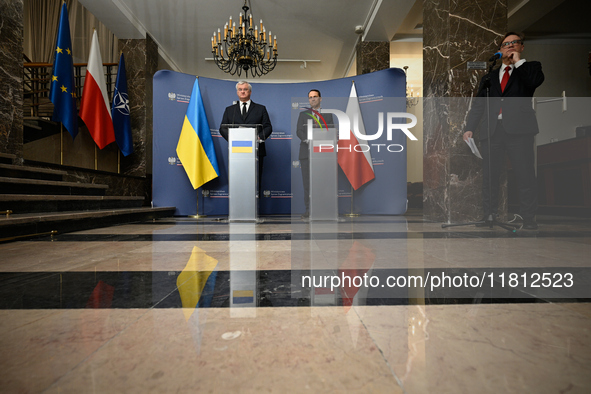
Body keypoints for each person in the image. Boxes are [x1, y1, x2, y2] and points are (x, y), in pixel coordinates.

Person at [463, 32, 544, 230]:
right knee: (490, 177)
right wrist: (469, 128)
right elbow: (479, 106)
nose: (509, 46)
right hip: (492, 132)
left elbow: (533, 83)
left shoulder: (530, 67)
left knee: (524, 174)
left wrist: (518, 62)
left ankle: (529, 218)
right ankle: (489, 215)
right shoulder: (489, 76)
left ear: (521, 47)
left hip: (519, 130)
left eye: (514, 43)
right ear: (499, 50)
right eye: (505, 44)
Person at [220, 81, 273, 198]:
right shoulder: (230, 110)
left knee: (254, 180)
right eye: (240, 89)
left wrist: (259, 137)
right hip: (237, 151)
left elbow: (268, 127)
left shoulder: (260, 108)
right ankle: (238, 208)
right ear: (237, 92)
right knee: (238, 180)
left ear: (250, 91)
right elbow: (222, 128)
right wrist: (233, 139)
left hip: (256, 150)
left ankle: (254, 209)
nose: (242, 91)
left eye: (245, 89)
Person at [296, 89, 334, 218]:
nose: (312, 99)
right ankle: (309, 210)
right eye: (310, 97)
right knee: (308, 183)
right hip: (306, 153)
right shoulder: (303, 114)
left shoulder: (328, 115)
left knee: (322, 182)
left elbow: (331, 130)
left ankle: (323, 209)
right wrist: (307, 139)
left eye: (315, 97)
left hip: (323, 153)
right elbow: (299, 131)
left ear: (320, 98)